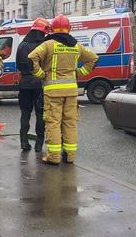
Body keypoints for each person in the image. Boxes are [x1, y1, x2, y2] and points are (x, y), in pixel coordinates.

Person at [29, 14, 98, 165]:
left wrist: (41, 75)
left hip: (53, 91)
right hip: (71, 91)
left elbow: (31, 58)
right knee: (70, 123)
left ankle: (53, 157)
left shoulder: (48, 45)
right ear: (69, 29)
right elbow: (93, 58)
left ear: (52, 29)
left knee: (53, 123)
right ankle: (70, 156)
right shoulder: (76, 46)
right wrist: (79, 73)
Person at [16, 17, 49, 152]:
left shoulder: (22, 45)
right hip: (39, 83)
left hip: (24, 84)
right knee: (40, 114)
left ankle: (24, 142)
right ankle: (38, 145)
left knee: (25, 114)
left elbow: (18, 64)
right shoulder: (45, 45)